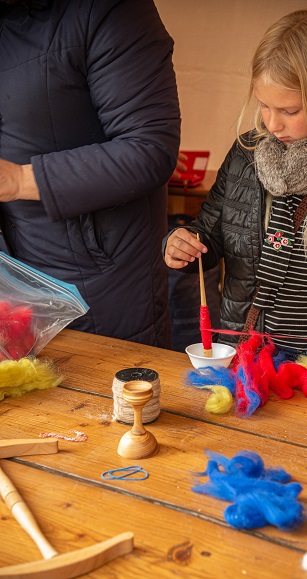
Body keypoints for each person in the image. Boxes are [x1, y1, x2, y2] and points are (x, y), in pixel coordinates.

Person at [164, 9, 307, 399]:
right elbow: (208, 235)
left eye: (290, 111)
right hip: (255, 356)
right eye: (264, 106)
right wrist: (182, 244)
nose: (273, 124)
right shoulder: (244, 157)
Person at [0, 0, 180, 348]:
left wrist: (20, 180)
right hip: (13, 285)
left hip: (99, 288)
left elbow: (150, 148)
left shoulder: (111, 10)